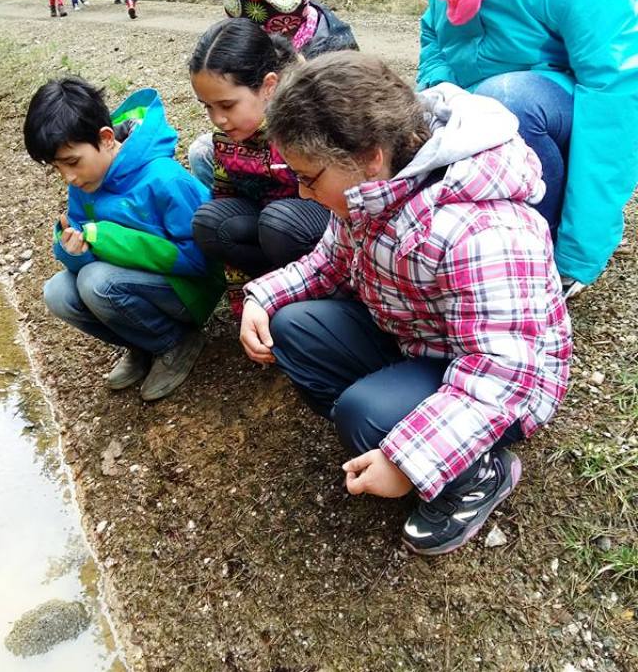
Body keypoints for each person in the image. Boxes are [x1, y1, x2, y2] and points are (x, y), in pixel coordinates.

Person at [240, 52, 572, 556]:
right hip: (422, 339)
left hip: (501, 377)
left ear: (370, 154)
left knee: (364, 414)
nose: (304, 194)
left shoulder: (481, 228)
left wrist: (408, 458)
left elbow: (505, 372)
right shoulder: (372, 187)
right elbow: (329, 260)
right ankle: (403, 416)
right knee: (294, 326)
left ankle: (479, 472)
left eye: (310, 177)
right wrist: (262, 296)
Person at [412, 0, 638, 298]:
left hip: (547, 127)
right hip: (489, 125)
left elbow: (615, 109)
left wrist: (578, 253)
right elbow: (433, 35)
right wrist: (441, 88)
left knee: (507, 100)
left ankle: (537, 247)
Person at [23, 77, 223, 401]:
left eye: (73, 163)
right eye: (58, 168)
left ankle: (176, 343)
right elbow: (89, 245)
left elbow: (204, 260)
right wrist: (75, 251)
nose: (69, 178)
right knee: (57, 292)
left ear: (105, 138)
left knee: (96, 281)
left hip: (190, 289)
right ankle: (143, 343)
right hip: (135, 284)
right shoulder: (84, 183)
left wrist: (110, 240)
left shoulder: (163, 178)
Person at [189, 19, 330, 318]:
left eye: (227, 105)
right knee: (208, 222)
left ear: (268, 86)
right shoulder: (226, 140)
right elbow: (225, 197)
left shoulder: (307, 126)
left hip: (322, 232)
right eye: (208, 106)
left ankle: (311, 303)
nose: (218, 119)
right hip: (272, 229)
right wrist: (244, 305)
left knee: (279, 222)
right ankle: (267, 294)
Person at [189, 0, 359, 189]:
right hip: (262, 142)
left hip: (309, 156)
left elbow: (339, 139)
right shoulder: (294, 24)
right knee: (202, 152)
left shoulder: (332, 56)